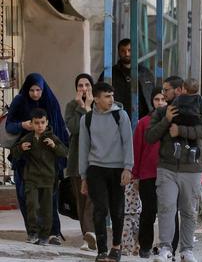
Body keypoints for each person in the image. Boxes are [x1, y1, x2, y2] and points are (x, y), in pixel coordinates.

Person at [148, 76, 202, 262]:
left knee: (189, 210)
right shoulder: (162, 111)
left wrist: (181, 131)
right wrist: (166, 120)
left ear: (179, 90)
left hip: (191, 167)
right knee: (166, 207)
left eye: (166, 90)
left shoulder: (200, 105)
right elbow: (150, 137)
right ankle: (166, 248)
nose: (163, 93)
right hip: (167, 167)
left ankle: (187, 250)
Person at [6, 73, 69, 245]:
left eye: (38, 90)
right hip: (26, 160)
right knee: (28, 199)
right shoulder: (20, 101)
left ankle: (52, 233)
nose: (35, 94)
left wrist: (56, 148)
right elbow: (9, 124)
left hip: (48, 160)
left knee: (49, 200)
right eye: (32, 90)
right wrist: (22, 125)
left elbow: (59, 127)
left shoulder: (50, 101)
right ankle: (32, 232)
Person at [79, 82, 134, 262]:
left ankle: (116, 247)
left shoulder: (121, 115)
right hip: (96, 168)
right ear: (96, 98)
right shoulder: (86, 119)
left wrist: (128, 167)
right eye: (107, 96)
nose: (111, 100)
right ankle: (101, 251)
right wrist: (83, 177)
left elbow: (128, 142)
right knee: (100, 209)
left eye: (112, 95)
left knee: (117, 209)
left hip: (117, 168)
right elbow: (83, 148)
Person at [132, 88, 180, 258]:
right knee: (148, 211)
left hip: (169, 173)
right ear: (152, 101)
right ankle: (145, 247)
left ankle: (171, 248)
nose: (160, 102)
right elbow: (137, 150)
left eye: (162, 99)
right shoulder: (144, 123)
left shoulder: (175, 122)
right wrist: (135, 175)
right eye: (156, 99)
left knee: (170, 210)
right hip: (148, 174)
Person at [64, 73, 96, 251]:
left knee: (93, 200)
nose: (84, 89)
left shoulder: (99, 104)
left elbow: (94, 129)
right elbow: (76, 128)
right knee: (82, 201)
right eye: (80, 86)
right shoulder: (71, 106)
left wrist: (89, 107)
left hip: (96, 161)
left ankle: (91, 234)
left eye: (87, 85)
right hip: (77, 161)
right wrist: (82, 107)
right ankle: (87, 238)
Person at [98, 38, 154, 120]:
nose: (127, 54)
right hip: (116, 119)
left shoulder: (145, 73)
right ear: (118, 52)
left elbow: (152, 96)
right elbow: (98, 95)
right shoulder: (109, 73)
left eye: (129, 50)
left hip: (142, 120)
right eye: (123, 51)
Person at [170, 78, 202, 164]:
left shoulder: (179, 98)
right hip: (193, 120)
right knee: (192, 139)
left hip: (180, 118)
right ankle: (192, 148)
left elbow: (173, 107)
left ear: (185, 90)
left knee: (177, 133)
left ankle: (177, 143)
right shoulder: (199, 99)